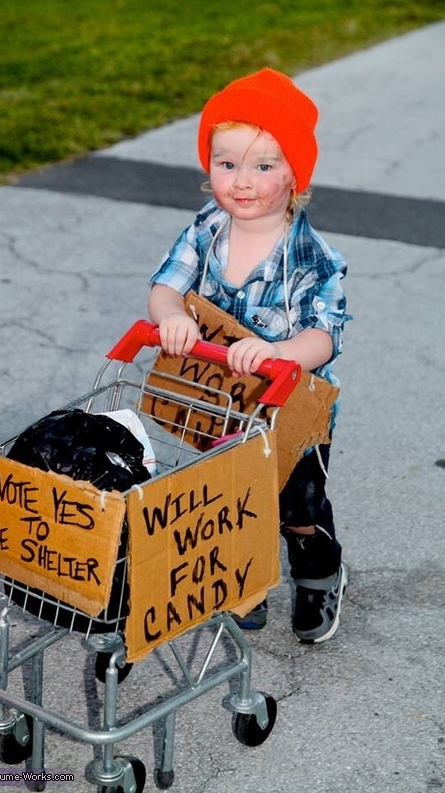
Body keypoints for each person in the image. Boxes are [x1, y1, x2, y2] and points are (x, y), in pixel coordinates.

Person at [147, 68, 352, 644]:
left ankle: (320, 574)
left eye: (264, 166)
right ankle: (244, 581)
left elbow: (325, 336)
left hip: (292, 411)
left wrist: (281, 350)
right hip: (220, 398)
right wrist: (171, 316)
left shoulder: (312, 257)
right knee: (230, 495)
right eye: (227, 162)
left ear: (295, 175)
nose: (242, 181)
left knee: (297, 507)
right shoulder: (205, 230)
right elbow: (167, 285)